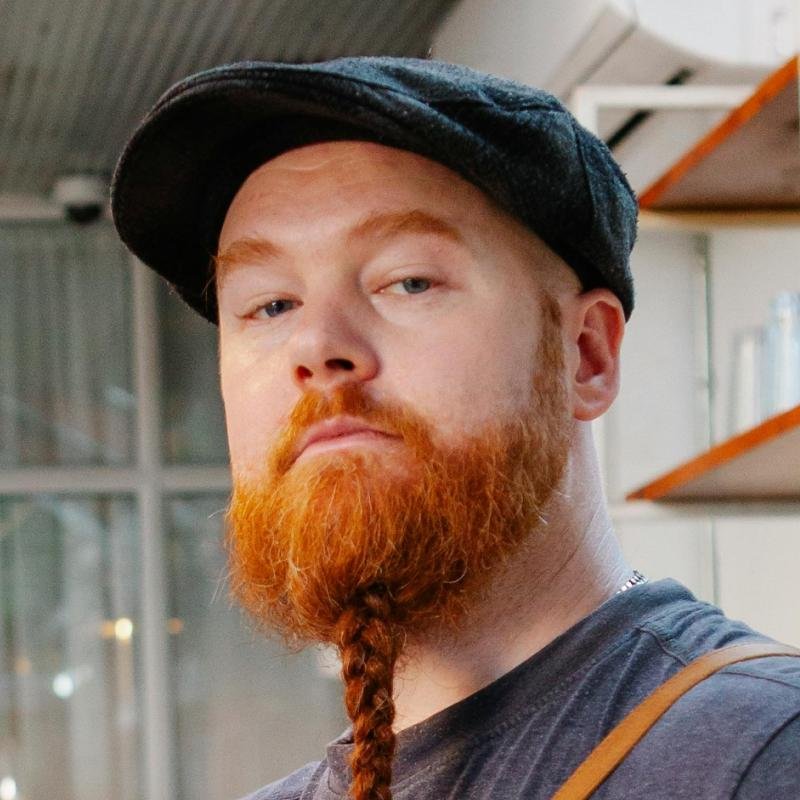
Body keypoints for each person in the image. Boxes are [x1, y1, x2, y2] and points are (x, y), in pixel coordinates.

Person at [111, 57, 800, 800]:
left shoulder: (759, 752)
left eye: (409, 281)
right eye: (271, 305)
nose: (316, 346)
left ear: (585, 355)